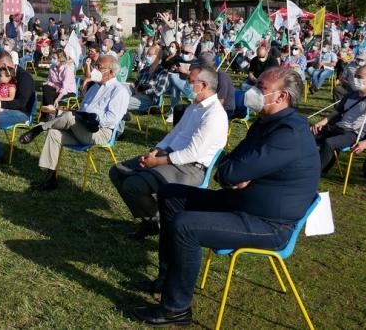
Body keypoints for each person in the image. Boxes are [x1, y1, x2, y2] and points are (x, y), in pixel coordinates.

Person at [130, 68, 319, 326]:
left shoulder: (288, 133)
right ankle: (167, 278)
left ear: (281, 96)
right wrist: (238, 173)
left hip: (269, 223)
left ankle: (176, 308)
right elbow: (228, 161)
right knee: (170, 193)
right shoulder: (265, 124)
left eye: (260, 87)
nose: (251, 91)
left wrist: (239, 173)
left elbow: (231, 171)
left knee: (185, 226)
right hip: (241, 204)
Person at [110, 66, 228, 240]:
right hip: (170, 157)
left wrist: (157, 162)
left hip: (189, 169)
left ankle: (156, 222)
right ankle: (153, 220)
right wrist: (155, 151)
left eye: (190, 81)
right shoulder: (194, 107)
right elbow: (174, 134)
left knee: (133, 185)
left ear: (203, 85)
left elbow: (192, 153)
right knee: (118, 171)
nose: (186, 84)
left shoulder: (214, 115)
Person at [19, 54, 129, 191]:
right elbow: (82, 108)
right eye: (95, 66)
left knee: (70, 117)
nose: (95, 70)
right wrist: (77, 114)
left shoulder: (119, 91)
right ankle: (49, 178)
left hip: (100, 132)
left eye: (99, 67)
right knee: (54, 133)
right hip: (80, 128)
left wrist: (87, 118)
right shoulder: (94, 87)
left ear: (111, 72)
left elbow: (111, 119)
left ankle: (39, 128)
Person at [311, 65, 366, 172]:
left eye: (360, 77)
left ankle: (314, 172)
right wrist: (321, 123)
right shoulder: (350, 95)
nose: (355, 79)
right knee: (308, 134)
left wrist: (365, 143)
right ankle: (299, 165)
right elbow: (336, 112)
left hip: (354, 134)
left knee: (329, 143)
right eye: (355, 76)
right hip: (338, 128)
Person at [127, 45, 170, 113]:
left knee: (124, 102)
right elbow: (136, 83)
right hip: (136, 93)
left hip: (149, 98)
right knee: (122, 89)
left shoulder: (163, 72)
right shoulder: (144, 70)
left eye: (149, 54)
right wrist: (133, 86)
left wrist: (144, 92)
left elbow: (159, 91)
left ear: (157, 57)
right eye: (146, 54)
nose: (146, 56)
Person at [39, 49, 76, 119]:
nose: (52, 60)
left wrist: (57, 99)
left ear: (61, 59)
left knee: (48, 94)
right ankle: (51, 109)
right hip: (57, 89)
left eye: (54, 58)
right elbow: (48, 81)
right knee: (46, 87)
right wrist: (54, 86)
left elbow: (65, 88)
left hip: (68, 92)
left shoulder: (67, 69)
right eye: (52, 58)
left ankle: (47, 115)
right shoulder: (52, 68)